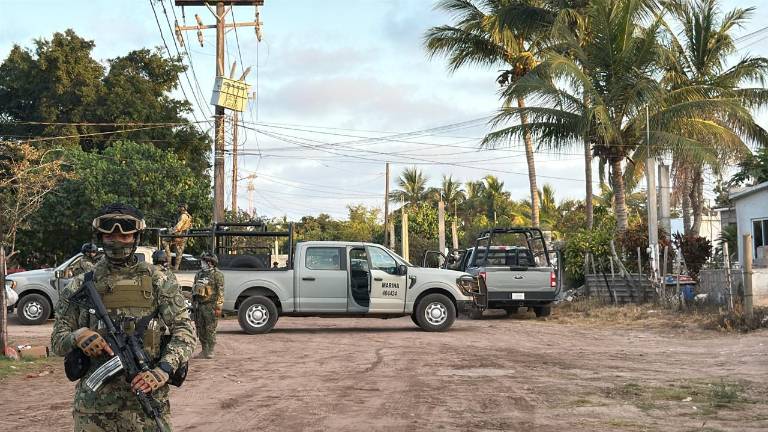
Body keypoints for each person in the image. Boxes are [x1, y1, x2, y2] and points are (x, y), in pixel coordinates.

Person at [51, 203, 196, 432]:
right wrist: (78, 336)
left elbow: (185, 331)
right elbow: (57, 341)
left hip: (148, 407)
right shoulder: (81, 284)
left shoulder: (158, 280)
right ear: (100, 236)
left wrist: (162, 371)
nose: (116, 240)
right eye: (109, 235)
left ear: (136, 236)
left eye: (124, 235)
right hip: (94, 412)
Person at [192, 252, 224, 359]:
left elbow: (220, 292)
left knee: (210, 329)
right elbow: (194, 288)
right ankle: (204, 350)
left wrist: (219, 307)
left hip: (211, 306)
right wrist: (194, 303)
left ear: (210, 262)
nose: (201, 263)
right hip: (200, 306)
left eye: (203, 261)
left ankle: (210, 350)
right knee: (201, 329)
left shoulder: (217, 274)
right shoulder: (199, 274)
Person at [163, 203, 192, 271]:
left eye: (179, 207)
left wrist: (171, 231)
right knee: (179, 252)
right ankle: (175, 267)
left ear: (183, 208)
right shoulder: (188, 216)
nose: (178, 208)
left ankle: (169, 263)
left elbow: (178, 227)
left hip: (179, 235)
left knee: (164, 241)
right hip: (183, 235)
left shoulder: (183, 216)